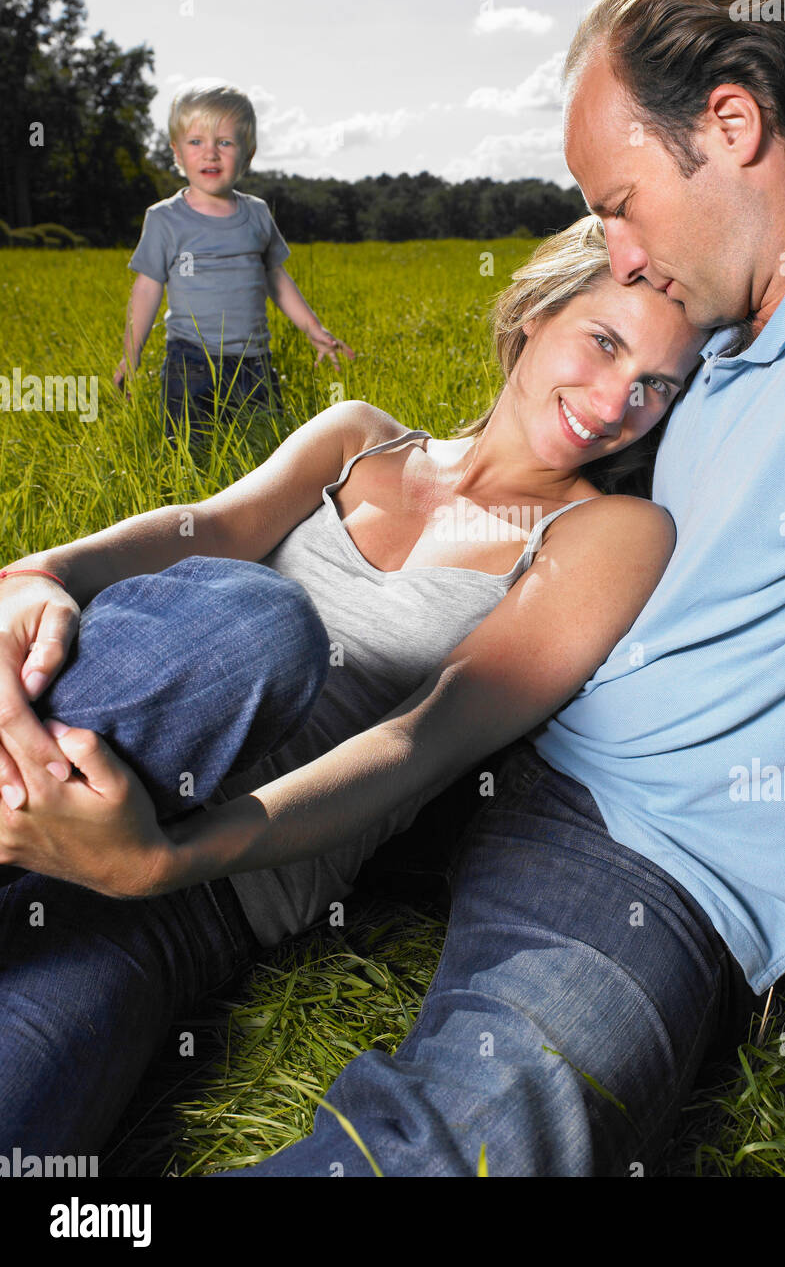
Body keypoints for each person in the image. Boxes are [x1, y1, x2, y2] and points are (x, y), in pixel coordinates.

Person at [0, 216, 707, 1159]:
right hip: (103, 725)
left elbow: (425, 739)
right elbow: (200, 528)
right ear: (535, 314)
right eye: (605, 343)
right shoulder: (363, 439)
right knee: (254, 624)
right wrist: (34, 572)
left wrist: (161, 865)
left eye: (655, 386)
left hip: (195, 890)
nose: (616, 400)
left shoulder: (611, 531)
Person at [112, 81, 353, 440]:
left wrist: (314, 329)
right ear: (177, 153)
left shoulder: (256, 214)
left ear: (248, 153)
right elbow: (147, 289)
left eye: (224, 142)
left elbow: (276, 279)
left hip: (254, 361)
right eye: (196, 142)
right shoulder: (165, 219)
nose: (211, 154)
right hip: (189, 360)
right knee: (188, 448)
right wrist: (130, 356)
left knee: (264, 452)